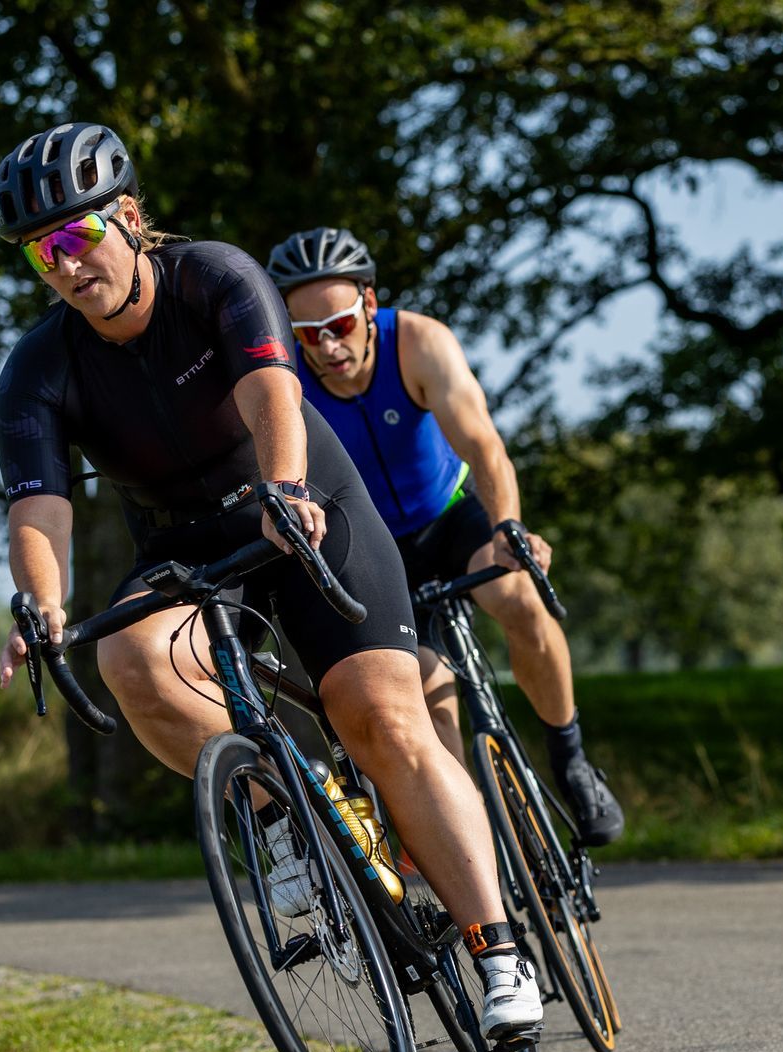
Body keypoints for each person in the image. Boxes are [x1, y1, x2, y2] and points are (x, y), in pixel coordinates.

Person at [0, 122, 539, 1043]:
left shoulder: (217, 278)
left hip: (305, 496)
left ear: (127, 218)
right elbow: (38, 509)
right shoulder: (37, 371)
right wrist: (40, 604)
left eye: (79, 237)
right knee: (130, 654)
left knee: (384, 717)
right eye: (45, 253)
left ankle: (500, 950)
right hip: (179, 543)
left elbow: (271, 394)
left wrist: (284, 489)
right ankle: (282, 807)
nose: (67, 266)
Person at [263, 227, 625, 846]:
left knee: (519, 597)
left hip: (449, 515)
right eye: (306, 334)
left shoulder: (420, 343)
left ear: (369, 306)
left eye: (340, 326)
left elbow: (484, 445)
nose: (326, 348)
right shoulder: (288, 380)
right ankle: (475, 849)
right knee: (427, 694)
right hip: (375, 544)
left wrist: (508, 525)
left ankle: (571, 759)